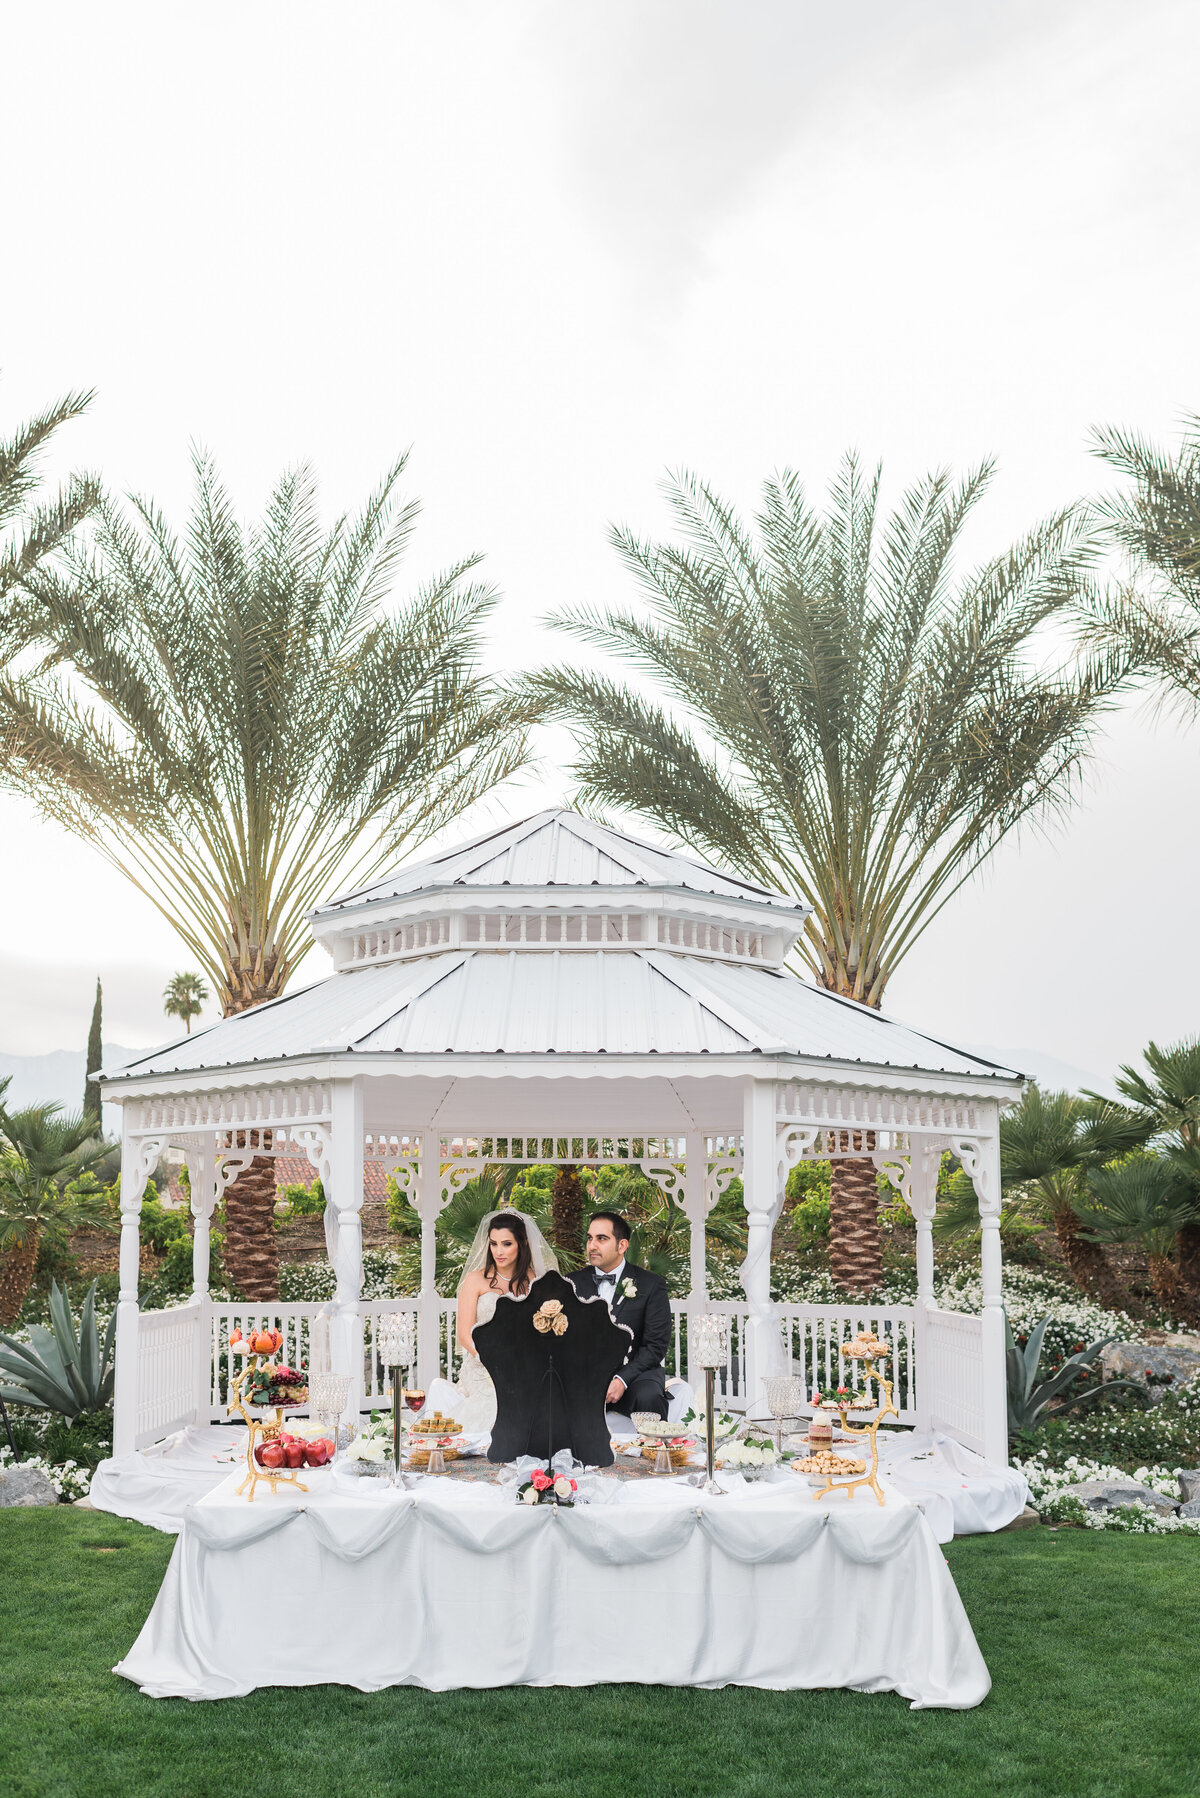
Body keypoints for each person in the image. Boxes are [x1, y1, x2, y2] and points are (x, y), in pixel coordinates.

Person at [438, 1209, 558, 1434]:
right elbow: (464, 1334)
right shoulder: (475, 1280)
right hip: (481, 1365)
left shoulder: (536, 1280)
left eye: (506, 1244)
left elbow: (542, 1329)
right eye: (494, 1244)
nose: (498, 1251)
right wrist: (491, 1359)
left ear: (521, 1244)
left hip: (523, 1366)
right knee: (495, 1404)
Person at [567, 1210, 671, 1420]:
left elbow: (655, 1346)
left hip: (635, 1376)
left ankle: (654, 1451)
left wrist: (621, 1379)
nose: (592, 1246)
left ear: (622, 1245)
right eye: (590, 1238)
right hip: (584, 1376)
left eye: (601, 1239)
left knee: (648, 1397)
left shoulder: (651, 1285)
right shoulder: (570, 1283)